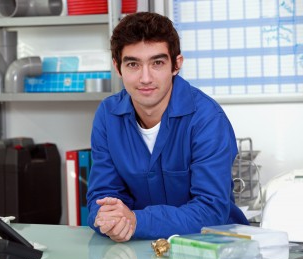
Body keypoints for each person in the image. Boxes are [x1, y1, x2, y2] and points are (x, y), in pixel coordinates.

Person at [86, 11, 249, 242]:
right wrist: (107, 217)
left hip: (211, 249)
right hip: (139, 249)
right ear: (118, 67)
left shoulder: (207, 119)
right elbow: (102, 196)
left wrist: (136, 221)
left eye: (157, 63)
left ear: (176, 65)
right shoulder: (107, 115)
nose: (145, 78)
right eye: (133, 64)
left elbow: (210, 211)